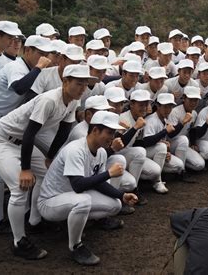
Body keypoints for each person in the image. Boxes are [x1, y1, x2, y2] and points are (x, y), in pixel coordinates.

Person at [0, 64, 94, 260]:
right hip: (1, 140)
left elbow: (63, 131)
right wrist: (25, 169)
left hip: (20, 142)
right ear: (65, 81)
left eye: (85, 84)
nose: (82, 88)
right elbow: (29, 134)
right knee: (20, 187)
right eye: (78, 83)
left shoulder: (72, 101)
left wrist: (50, 157)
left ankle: (34, 220)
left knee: (46, 173)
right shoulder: (49, 99)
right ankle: (19, 242)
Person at [38, 111, 137, 265]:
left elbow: (97, 182)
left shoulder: (102, 152)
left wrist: (121, 195)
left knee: (116, 205)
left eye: (114, 133)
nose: (113, 137)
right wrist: (109, 174)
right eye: (109, 132)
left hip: (70, 197)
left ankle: (72, 222)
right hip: (50, 202)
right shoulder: (75, 149)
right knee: (83, 201)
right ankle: (76, 246)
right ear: (95, 130)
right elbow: (78, 186)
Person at [0, 35, 52, 233]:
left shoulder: (31, 70)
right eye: (39, 52)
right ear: (28, 51)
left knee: (14, 171)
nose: (43, 57)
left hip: (2, 119)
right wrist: (39, 67)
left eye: (46, 53)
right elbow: (19, 89)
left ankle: (22, 215)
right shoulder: (17, 67)